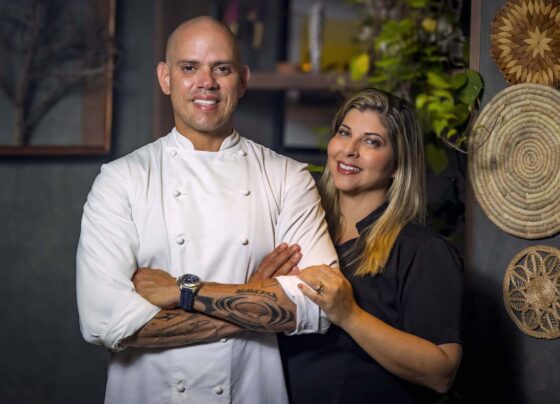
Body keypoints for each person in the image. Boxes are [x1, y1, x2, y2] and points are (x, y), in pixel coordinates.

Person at [76, 16, 337, 404]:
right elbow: (105, 321)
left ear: (243, 80)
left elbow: (322, 302)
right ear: (165, 78)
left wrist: (182, 291)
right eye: (189, 68)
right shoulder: (121, 180)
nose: (207, 83)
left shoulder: (287, 177)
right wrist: (256, 295)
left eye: (222, 68)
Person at [278, 88, 464, 403]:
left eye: (371, 141)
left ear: (396, 164)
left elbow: (441, 372)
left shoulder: (421, 249)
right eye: (344, 133)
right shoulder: (299, 232)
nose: (349, 150)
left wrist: (350, 315)